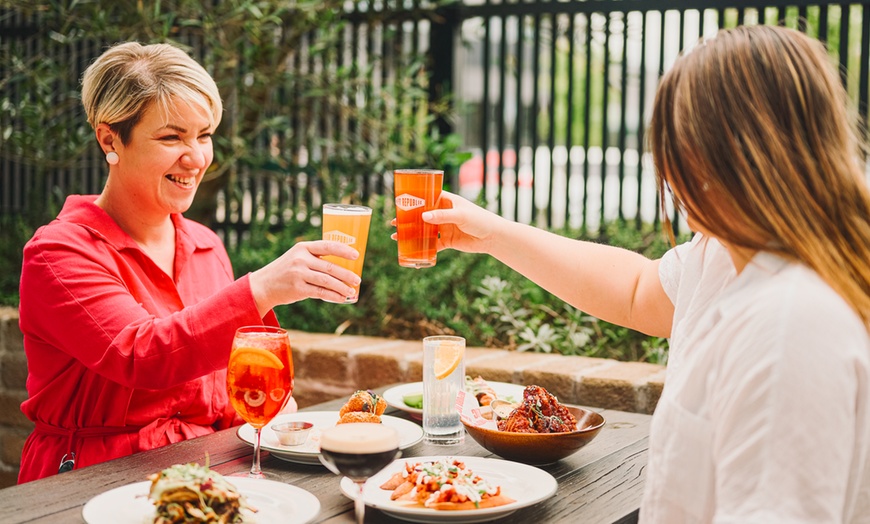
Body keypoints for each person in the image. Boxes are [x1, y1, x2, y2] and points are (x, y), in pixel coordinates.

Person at [416, 25, 870, 521]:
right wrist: (492, 234)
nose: (668, 167)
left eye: (676, 140)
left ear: (727, 152)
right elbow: (635, 291)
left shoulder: (792, 325)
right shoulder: (725, 252)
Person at [17, 42, 361, 483]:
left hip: (207, 474)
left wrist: (263, 414)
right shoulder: (58, 252)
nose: (197, 157)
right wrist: (264, 288)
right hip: (90, 480)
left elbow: (220, 389)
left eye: (203, 135)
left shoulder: (205, 244)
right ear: (109, 139)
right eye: (171, 137)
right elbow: (141, 355)